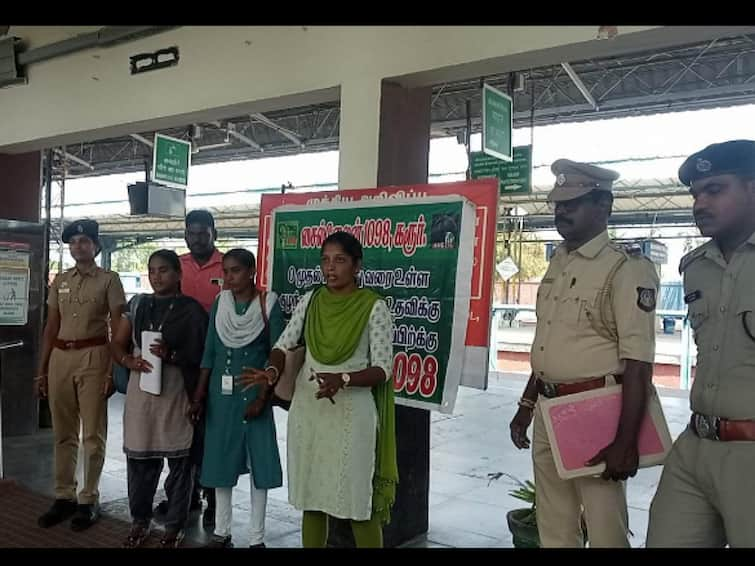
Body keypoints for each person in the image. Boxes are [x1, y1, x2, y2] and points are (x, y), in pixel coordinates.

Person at [508, 160, 659, 547]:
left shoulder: (624, 268)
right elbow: (547, 343)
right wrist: (527, 405)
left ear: (603, 206)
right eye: (558, 203)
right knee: (554, 526)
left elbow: (639, 364)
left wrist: (625, 441)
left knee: (605, 528)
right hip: (548, 409)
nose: (562, 211)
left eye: (572, 202)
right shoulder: (558, 262)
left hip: (597, 414)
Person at [238, 231, 398, 548]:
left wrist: (345, 379)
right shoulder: (310, 299)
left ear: (357, 266)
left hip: (351, 413)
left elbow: (383, 368)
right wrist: (272, 369)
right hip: (310, 410)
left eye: (339, 260)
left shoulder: (374, 307)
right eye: (325, 260)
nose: (330, 267)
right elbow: (283, 346)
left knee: (357, 503)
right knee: (312, 498)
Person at [646, 140, 755, 548]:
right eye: (696, 193)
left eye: (715, 190)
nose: (700, 203)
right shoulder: (695, 268)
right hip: (696, 444)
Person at [111, 249, 208, 547]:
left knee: (179, 463)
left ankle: (173, 526)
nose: (156, 276)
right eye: (152, 270)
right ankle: (139, 521)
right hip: (142, 394)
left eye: (164, 270)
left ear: (178, 274)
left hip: (176, 392)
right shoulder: (138, 304)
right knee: (139, 460)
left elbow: (204, 357)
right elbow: (116, 344)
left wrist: (172, 354)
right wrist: (129, 362)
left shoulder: (191, 310)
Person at [35, 219, 126, 531]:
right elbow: (50, 325)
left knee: (92, 434)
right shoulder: (60, 280)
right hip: (60, 356)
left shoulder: (109, 280)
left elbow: (119, 327)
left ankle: (88, 498)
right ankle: (64, 497)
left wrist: (113, 370)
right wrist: (42, 370)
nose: (78, 246)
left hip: (94, 356)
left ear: (96, 246)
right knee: (63, 432)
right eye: (73, 242)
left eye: (84, 241)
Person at [188, 249, 283, 548]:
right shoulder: (220, 303)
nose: (229, 277)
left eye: (236, 271)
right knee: (220, 463)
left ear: (252, 270)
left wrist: (263, 397)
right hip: (221, 396)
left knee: (260, 465)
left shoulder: (269, 304)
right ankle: (222, 532)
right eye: (226, 271)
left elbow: (278, 353)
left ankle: (256, 538)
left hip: (255, 394)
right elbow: (210, 353)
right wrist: (200, 395)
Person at [154, 209, 223, 526]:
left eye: (203, 232)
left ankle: (213, 500)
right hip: (177, 363)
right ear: (185, 235)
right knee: (180, 430)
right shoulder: (175, 266)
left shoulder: (230, 265)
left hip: (216, 364)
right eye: (191, 233)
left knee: (211, 433)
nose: (197, 238)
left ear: (214, 233)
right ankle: (183, 495)